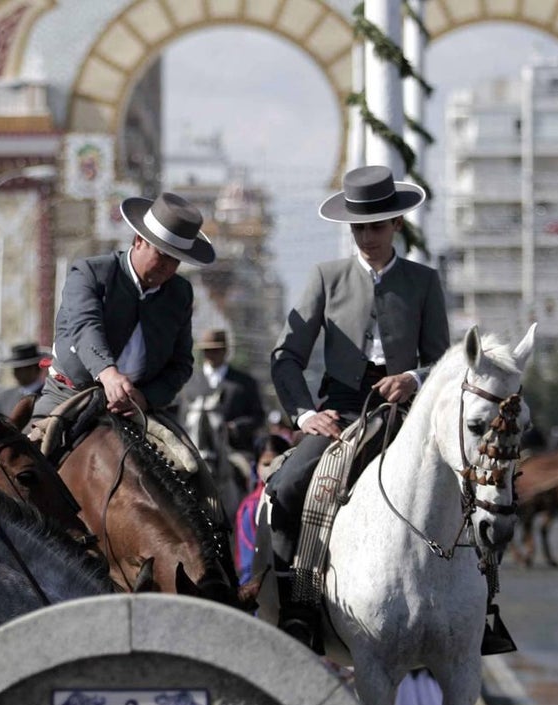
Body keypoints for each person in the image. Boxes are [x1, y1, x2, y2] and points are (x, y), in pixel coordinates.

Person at [266, 165, 451, 653]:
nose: (367, 237)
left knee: (470, 486)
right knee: (287, 486)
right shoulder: (326, 278)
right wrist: (305, 415)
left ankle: (480, 606)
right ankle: (297, 608)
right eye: (358, 228)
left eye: (376, 226)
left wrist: (413, 379)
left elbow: (443, 361)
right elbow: (286, 356)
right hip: (342, 411)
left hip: (409, 414)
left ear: (396, 224)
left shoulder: (423, 281)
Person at [32, 192, 214, 420]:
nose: (167, 266)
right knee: (32, 440)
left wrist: (146, 398)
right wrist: (108, 374)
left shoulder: (180, 293)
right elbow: (85, 327)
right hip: (70, 394)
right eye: (162, 255)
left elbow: (181, 363)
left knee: (183, 445)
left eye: (175, 260)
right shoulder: (90, 274)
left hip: (137, 406)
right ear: (138, 241)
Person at [184, 328, 265, 452]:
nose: (211, 354)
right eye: (207, 350)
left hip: (234, 449)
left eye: (216, 350)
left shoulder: (244, 383)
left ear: (225, 351)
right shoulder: (190, 383)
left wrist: (235, 427)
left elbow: (258, 417)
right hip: (195, 449)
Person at [234, 433, 291, 584]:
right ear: (256, 467)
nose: (272, 469)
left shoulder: (296, 500)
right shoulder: (251, 507)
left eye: (278, 462)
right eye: (266, 464)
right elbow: (249, 561)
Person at [0, 342, 49, 416]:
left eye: (20, 369)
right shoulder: (5, 397)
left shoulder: (50, 395)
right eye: (15, 369)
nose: (16, 373)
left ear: (35, 369)